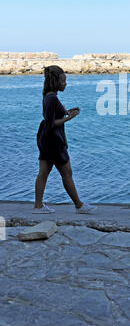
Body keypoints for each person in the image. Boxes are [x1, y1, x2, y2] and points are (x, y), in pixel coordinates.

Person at [33, 65, 95, 214]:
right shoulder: (52, 98)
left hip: (45, 139)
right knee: (66, 172)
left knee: (43, 173)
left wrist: (66, 112)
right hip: (53, 141)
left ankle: (38, 206)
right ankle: (79, 205)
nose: (65, 84)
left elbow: (51, 116)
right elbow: (51, 123)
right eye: (63, 81)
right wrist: (69, 118)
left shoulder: (48, 96)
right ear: (55, 82)